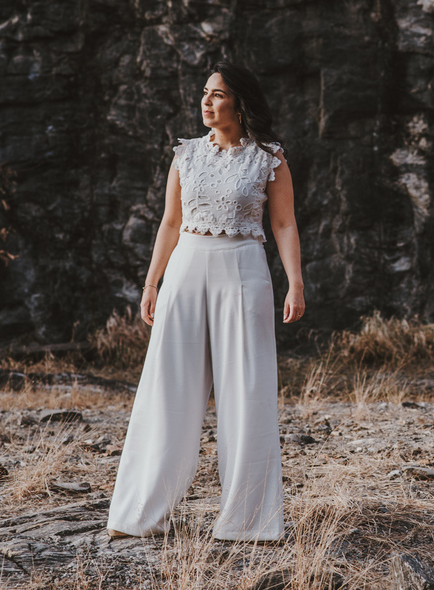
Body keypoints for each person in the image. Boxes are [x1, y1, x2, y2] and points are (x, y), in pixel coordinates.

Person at [107, 62, 305, 541]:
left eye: (217, 94)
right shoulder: (187, 154)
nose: (206, 101)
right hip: (185, 271)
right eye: (204, 92)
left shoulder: (269, 158)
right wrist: (151, 284)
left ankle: (247, 521)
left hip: (244, 271)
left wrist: (296, 283)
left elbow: (283, 224)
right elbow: (170, 223)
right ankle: (142, 514)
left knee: (247, 391)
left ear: (240, 102)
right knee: (167, 388)